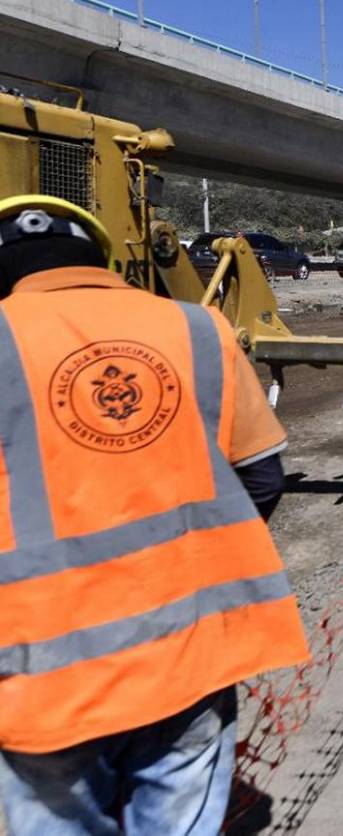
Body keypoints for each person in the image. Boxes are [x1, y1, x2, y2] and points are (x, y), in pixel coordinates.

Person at [0, 196, 310, 835]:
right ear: (103, 258)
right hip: (189, 655)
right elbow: (261, 477)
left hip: (38, 680)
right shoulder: (199, 329)